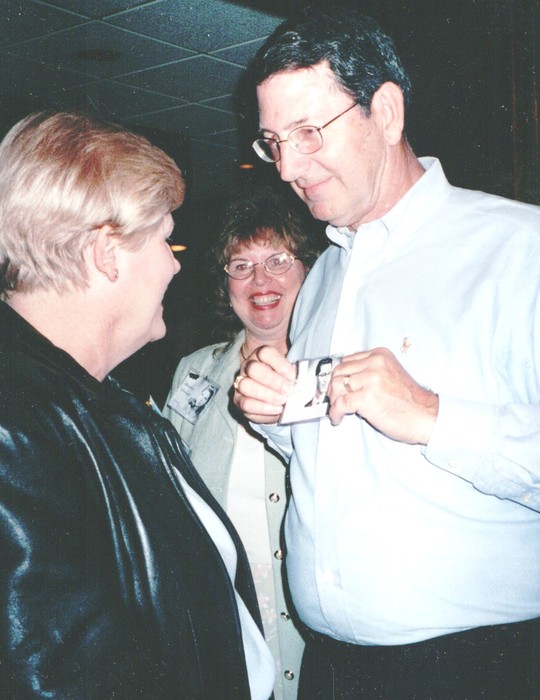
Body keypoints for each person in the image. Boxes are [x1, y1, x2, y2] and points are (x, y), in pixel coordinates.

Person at [233, 7, 540, 699]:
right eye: (273, 142)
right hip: (332, 670)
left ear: (388, 113)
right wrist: (279, 416)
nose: (287, 167)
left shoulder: (521, 251)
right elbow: (337, 452)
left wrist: (432, 416)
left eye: (308, 132)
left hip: (477, 671)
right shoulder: (322, 279)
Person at [0, 111, 275, 699]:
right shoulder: (17, 426)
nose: (175, 262)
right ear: (107, 253)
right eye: (163, 237)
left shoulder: (99, 397)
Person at [163, 186, 319, 700]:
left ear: (308, 270)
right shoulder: (194, 372)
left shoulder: (335, 373)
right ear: (225, 282)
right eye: (241, 266)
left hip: (317, 632)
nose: (261, 281)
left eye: (277, 260)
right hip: (227, 625)